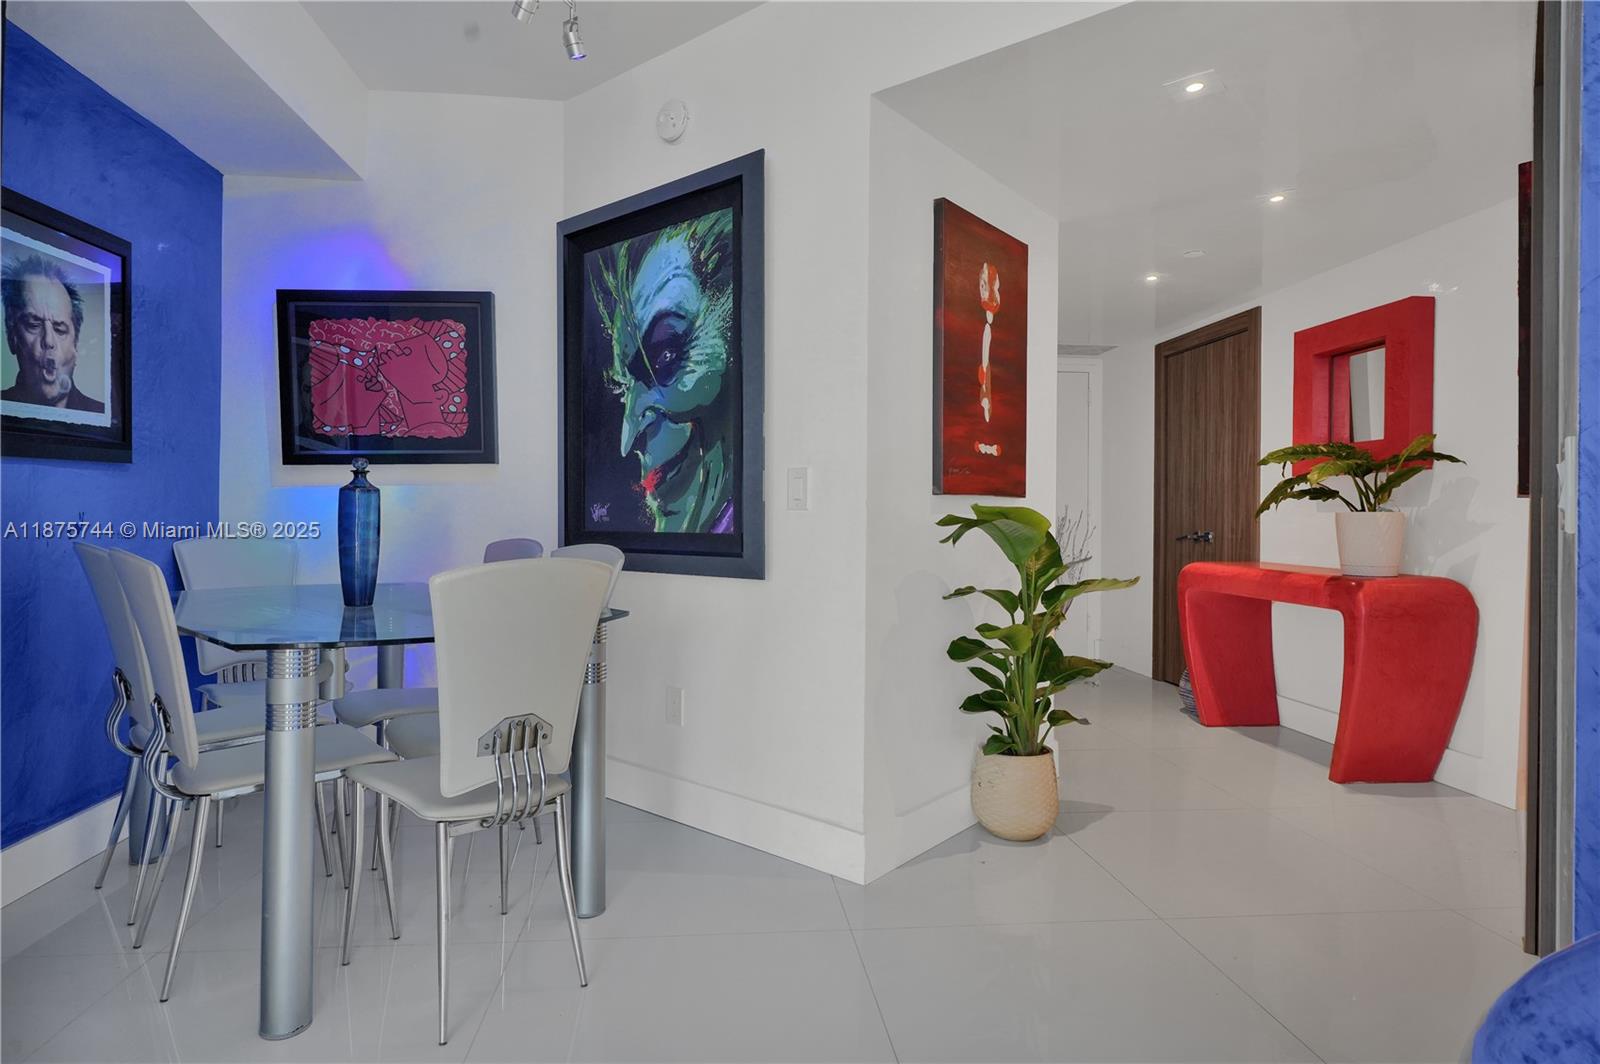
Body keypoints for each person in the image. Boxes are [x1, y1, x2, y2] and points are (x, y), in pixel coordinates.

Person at [1, 253, 104, 412]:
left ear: (76, 342)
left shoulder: (98, 412)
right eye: (33, 325)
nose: (48, 341)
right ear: (11, 336)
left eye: (60, 329)